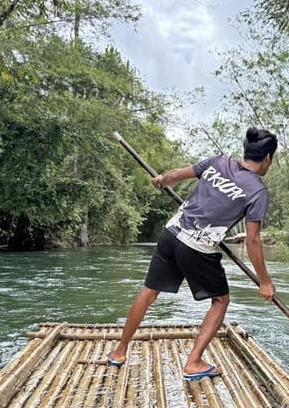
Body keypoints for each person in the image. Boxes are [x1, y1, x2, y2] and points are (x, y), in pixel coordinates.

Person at [107, 127, 278, 380]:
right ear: (267, 158)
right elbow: (252, 240)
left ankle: (119, 351)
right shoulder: (257, 191)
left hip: (171, 234)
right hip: (196, 248)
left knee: (148, 291)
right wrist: (264, 280)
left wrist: (162, 180)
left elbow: (177, 175)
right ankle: (194, 362)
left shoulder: (219, 161)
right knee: (220, 301)